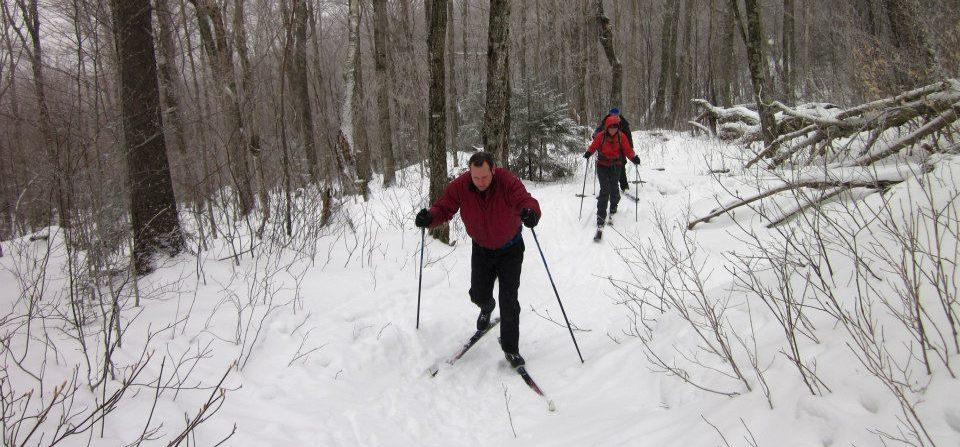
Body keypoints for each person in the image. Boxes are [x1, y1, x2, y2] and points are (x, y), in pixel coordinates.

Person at [414, 152, 541, 368]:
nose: (480, 182)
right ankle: (487, 306)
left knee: (509, 301)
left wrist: (531, 213)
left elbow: (525, 200)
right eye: (476, 178)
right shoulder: (461, 185)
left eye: (484, 177)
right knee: (478, 294)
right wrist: (431, 217)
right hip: (481, 249)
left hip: (510, 249)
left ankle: (511, 350)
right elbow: (445, 207)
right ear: (470, 173)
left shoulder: (507, 181)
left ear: (493, 170)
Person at [584, 115, 640, 227]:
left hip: (616, 165)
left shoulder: (621, 137)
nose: (613, 129)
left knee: (614, 188)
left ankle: (614, 205)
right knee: (605, 190)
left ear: (618, 127)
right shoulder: (601, 136)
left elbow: (628, 150)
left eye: (615, 127)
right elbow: (593, 146)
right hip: (602, 165)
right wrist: (588, 153)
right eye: (611, 127)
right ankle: (600, 216)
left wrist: (634, 158)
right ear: (607, 127)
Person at [593, 108, 634, 192]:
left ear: (619, 115)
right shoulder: (605, 122)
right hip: (606, 149)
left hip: (620, 149)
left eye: (616, 116)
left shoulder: (624, 123)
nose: (615, 118)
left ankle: (624, 186)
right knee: (606, 167)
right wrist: (597, 140)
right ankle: (608, 187)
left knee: (621, 166)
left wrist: (631, 148)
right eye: (613, 116)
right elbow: (596, 134)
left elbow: (628, 136)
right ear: (610, 115)